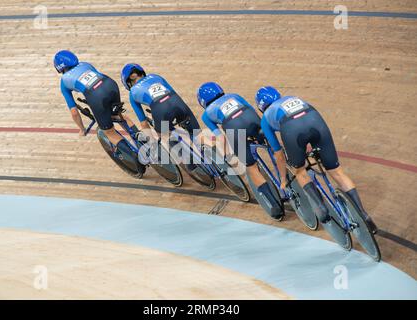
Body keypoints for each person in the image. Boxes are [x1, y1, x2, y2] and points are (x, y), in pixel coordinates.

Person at [256, 86, 377, 233]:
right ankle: (363, 215)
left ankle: (320, 207)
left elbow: (278, 154)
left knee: (300, 171)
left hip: (292, 129)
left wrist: (282, 180)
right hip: (315, 120)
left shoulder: (265, 118)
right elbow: (302, 118)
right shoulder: (292, 97)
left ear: (261, 107)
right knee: (337, 171)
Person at [197, 82, 283, 220]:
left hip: (234, 129)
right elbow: (254, 111)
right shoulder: (234, 96)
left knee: (251, 167)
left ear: (202, 102)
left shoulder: (206, 115)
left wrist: (227, 156)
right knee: (273, 148)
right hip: (253, 120)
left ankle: (274, 205)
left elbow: (221, 138)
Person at [54, 50, 140, 155]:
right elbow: (98, 81)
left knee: (109, 132)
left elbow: (74, 112)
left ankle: (136, 158)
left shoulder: (64, 82)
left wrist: (82, 129)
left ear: (59, 68)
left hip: (96, 97)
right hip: (110, 85)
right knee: (118, 115)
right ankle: (141, 141)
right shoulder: (85, 64)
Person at [121, 63, 202, 169]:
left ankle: (190, 163)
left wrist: (151, 141)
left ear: (128, 82)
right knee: (197, 133)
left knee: (164, 135)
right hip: (177, 103)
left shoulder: (132, 93)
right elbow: (173, 92)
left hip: (161, 111)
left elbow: (143, 122)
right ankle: (214, 156)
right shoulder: (156, 76)